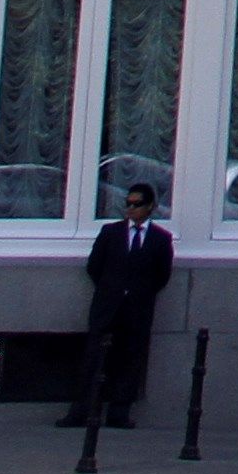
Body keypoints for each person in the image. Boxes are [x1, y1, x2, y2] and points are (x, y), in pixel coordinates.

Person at [74, 173, 172, 429]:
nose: (130, 208)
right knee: (94, 357)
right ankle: (81, 409)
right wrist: (111, 290)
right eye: (127, 203)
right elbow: (94, 266)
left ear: (149, 207)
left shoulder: (161, 239)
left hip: (137, 309)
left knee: (130, 358)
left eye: (136, 204)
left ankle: (119, 411)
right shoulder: (110, 233)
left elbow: (162, 275)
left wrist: (139, 293)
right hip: (108, 305)